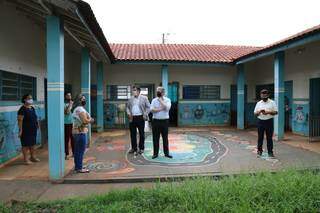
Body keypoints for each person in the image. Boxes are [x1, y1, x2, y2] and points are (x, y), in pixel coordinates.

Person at [72, 94, 94, 173]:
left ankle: (78, 166)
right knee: (80, 151)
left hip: (77, 132)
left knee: (78, 150)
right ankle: (79, 168)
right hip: (80, 132)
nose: (84, 100)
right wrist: (91, 120)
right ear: (79, 100)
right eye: (83, 99)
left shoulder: (76, 109)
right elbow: (85, 120)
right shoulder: (80, 109)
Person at [126, 86, 150, 155]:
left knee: (141, 134)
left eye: (135, 90)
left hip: (140, 117)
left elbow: (149, 107)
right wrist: (128, 113)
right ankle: (134, 148)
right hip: (132, 118)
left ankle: (141, 148)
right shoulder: (130, 99)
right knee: (132, 134)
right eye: (133, 90)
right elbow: (127, 107)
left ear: (139, 91)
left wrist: (145, 114)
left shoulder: (144, 98)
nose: (134, 92)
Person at [254, 89, 278, 158]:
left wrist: (268, 112)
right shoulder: (259, 103)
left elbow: (276, 112)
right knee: (260, 137)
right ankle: (259, 151)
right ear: (261, 95)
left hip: (269, 121)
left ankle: (270, 152)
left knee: (269, 138)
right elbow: (255, 113)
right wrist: (259, 112)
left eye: (265, 95)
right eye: (262, 95)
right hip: (260, 122)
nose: (263, 96)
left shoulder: (272, 102)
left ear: (268, 95)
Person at [17, 94, 40, 165]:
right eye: (29, 98)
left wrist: (37, 124)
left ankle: (32, 157)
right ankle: (26, 160)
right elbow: (20, 120)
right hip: (25, 130)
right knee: (25, 145)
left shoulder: (32, 108)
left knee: (32, 144)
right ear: (25, 100)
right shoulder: (22, 109)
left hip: (33, 129)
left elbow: (35, 117)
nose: (31, 99)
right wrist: (20, 130)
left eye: (31, 98)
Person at [150, 87, 172, 159]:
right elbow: (152, 110)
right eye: (157, 91)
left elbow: (167, 108)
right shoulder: (153, 100)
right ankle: (155, 154)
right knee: (155, 138)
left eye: (159, 91)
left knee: (165, 138)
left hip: (165, 121)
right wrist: (161, 109)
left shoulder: (168, 100)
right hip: (155, 121)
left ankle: (166, 153)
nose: (158, 93)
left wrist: (160, 100)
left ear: (163, 92)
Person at [64, 92, 74, 160]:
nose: (69, 96)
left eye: (70, 95)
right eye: (68, 95)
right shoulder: (63, 104)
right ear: (65, 96)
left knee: (73, 138)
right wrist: (70, 105)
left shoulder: (71, 103)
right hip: (66, 123)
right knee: (67, 139)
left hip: (72, 123)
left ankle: (74, 152)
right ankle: (67, 154)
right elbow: (67, 112)